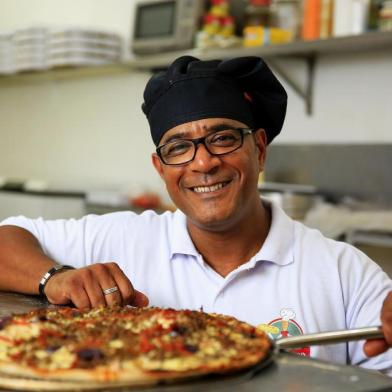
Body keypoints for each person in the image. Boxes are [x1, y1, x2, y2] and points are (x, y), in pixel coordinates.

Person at [0, 56, 391, 375]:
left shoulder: (345, 274)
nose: (203, 162)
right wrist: (54, 278)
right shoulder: (121, 236)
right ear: (160, 167)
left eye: (222, 138)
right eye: (179, 147)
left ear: (259, 149)